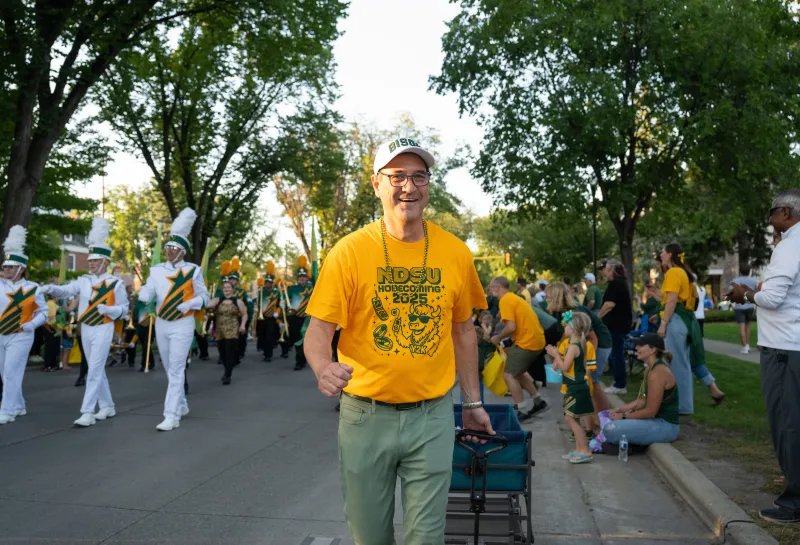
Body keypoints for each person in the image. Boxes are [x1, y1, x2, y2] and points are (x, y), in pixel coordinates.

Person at [303, 137, 493, 544]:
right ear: (377, 184)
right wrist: (322, 367)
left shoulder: (455, 252)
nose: (409, 187)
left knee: (426, 537)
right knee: (370, 535)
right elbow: (319, 328)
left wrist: (472, 402)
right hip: (365, 416)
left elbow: (463, 330)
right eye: (398, 176)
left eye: (419, 176)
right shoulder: (349, 251)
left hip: (432, 416)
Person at [725, 189, 800, 524]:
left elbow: (772, 299)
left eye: (772, 213)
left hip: (784, 349)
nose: (769, 220)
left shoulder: (789, 246)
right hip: (793, 345)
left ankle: (794, 503)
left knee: (787, 424)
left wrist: (746, 294)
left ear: (785, 212)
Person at [42, 219, 128, 427]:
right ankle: (107, 406)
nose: (91, 263)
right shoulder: (84, 281)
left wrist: (109, 310)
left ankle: (87, 412)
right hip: (86, 328)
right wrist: (52, 289)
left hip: (104, 327)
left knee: (95, 368)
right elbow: (66, 290)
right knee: (95, 368)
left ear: (105, 262)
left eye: (95, 260)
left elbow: (124, 310)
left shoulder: (115, 283)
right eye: (90, 260)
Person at [138, 208, 209, 431]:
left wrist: (190, 304)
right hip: (161, 323)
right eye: (168, 247)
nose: (169, 250)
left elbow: (205, 297)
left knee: (177, 368)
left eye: (174, 248)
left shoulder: (193, 271)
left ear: (183, 251)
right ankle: (182, 404)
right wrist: (145, 293)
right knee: (169, 367)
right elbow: (150, 288)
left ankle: (171, 415)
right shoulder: (156, 270)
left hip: (183, 323)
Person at [658, 244, 725, 414]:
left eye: (663, 253)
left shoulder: (673, 272)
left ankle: (681, 406)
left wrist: (663, 323)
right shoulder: (683, 272)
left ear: (670, 255)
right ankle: (683, 405)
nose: (661, 255)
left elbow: (672, 300)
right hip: (685, 320)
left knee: (677, 364)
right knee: (683, 363)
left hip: (676, 320)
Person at [0, 226, 47, 424]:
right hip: (1, 334)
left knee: (11, 371)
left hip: (21, 334)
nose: (6, 269)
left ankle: (7, 410)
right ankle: (19, 406)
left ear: (21, 269)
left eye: (11, 267)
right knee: (5, 373)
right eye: (5, 266)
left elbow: (44, 313)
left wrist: (32, 324)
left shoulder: (33, 288)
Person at [545, 282, 613, 417]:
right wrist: (559, 356)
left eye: (548, 297)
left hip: (600, 344)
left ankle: (604, 418)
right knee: (587, 383)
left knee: (592, 382)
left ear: (557, 297)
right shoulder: (561, 313)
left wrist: (585, 360)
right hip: (584, 345)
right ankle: (596, 418)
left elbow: (593, 338)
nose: (546, 299)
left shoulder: (577, 312)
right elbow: (565, 337)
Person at [603, 333, 680, 446]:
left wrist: (623, 417)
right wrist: (619, 410)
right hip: (653, 421)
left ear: (652, 350)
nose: (636, 348)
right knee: (606, 419)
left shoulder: (658, 373)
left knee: (610, 429)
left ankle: (630, 444)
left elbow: (650, 411)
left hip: (665, 426)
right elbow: (642, 400)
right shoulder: (649, 369)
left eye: (641, 345)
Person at [488, 276, 547, 420]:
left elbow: (511, 327)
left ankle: (522, 409)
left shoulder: (505, 300)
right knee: (518, 372)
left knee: (509, 375)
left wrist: (497, 337)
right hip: (535, 339)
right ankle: (538, 401)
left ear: (497, 287)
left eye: (491, 287)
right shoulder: (513, 298)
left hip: (527, 342)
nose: (490, 290)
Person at [545, 312, 594, 464]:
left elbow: (565, 367)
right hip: (575, 386)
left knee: (571, 419)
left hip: (576, 387)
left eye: (566, 325)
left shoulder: (573, 347)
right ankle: (579, 449)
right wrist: (557, 358)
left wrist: (555, 355)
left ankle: (585, 450)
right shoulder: (576, 344)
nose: (564, 328)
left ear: (573, 328)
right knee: (572, 417)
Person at [598, 259, 633, 394]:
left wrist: (598, 318)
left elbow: (609, 304)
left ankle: (620, 385)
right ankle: (618, 382)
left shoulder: (615, 283)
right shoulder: (620, 283)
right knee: (616, 354)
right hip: (619, 324)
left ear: (612, 270)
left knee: (616, 354)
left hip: (616, 324)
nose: (604, 273)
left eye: (607, 270)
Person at [207, 280, 247, 385]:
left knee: (230, 352)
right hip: (219, 329)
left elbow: (244, 314)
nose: (226, 289)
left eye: (228, 287)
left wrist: (242, 325)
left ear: (232, 289)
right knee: (222, 353)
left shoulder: (238, 301)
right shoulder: (217, 300)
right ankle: (227, 369)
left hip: (233, 329)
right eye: (225, 287)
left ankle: (227, 375)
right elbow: (208, 306)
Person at [286, 256, 314, 370]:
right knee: (297, 340)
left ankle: (302, 360)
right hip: (295, 317)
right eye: (300, 276)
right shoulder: (292, 289)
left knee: (306, 340)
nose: (302, 278)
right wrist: (283, 304)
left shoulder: (312, 288)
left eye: (304, 276)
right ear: (298, 278)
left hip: (308, 318)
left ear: (307, 277)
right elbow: (287, 301)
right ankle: (299, 360)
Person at [730, 265, 758, 354]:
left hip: (740, 306)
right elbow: (757, 291)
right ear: (749, 271)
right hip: (750, 306)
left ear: (740, 271)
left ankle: (745, 346)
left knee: (742, 328)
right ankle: (747, 344)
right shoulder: (754, 280)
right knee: (748, 326)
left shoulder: (736, 281)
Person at [258, 265, 281, 362]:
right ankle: (265, 351)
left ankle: (269, 355)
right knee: (262, 336)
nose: (267, 284)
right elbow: (258, 303)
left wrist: (277, 312)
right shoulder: (261, 292)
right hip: (262, 317)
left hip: (272, 318)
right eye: (266, 282)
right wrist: (256, 308)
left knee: (269, 336)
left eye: (269, 282)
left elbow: (280, 305)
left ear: (272, 283)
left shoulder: (277, 293)